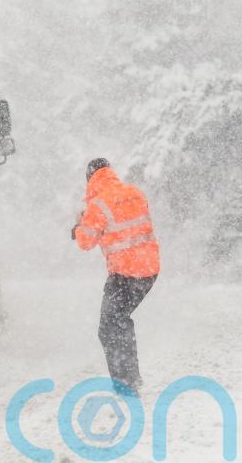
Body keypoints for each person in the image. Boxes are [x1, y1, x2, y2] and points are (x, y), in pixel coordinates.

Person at [72, 158, 160, 396]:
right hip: (149, 270)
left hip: (125, 274)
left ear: (90, 178)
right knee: (120, 320)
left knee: (109, 327)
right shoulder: (134, 192)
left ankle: (126, 384)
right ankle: (132, 378)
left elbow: (85, 242)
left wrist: (79, 226)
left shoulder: (98, 205)